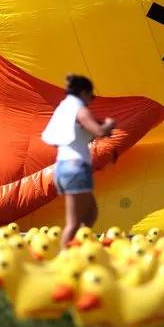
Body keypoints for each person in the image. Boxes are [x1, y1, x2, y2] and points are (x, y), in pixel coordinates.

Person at [41, 74, 115, 249]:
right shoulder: (79, 109)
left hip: (64, 167)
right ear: (84, 93)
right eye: (91, 96)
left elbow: (53, 139)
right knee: (73, 223)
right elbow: (99, 132)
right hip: (76, 167)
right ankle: (64, 258)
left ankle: (77, 249)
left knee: (90, 215)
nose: (91, 100)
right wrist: (109, 124)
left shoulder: (63, 109)